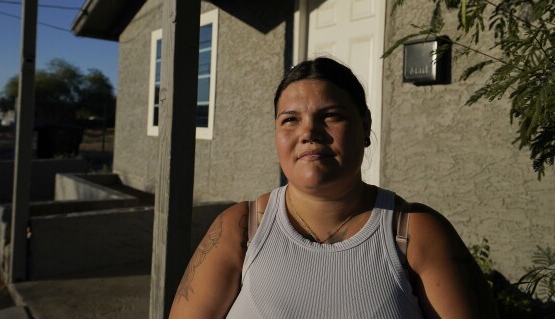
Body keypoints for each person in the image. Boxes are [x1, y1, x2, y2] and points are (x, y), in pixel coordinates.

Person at [169, 57, 497, 318]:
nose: (309, 132)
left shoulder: (416, 234)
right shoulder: (240, 228)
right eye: (290, 119)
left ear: (365, 126)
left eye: (331, 115)